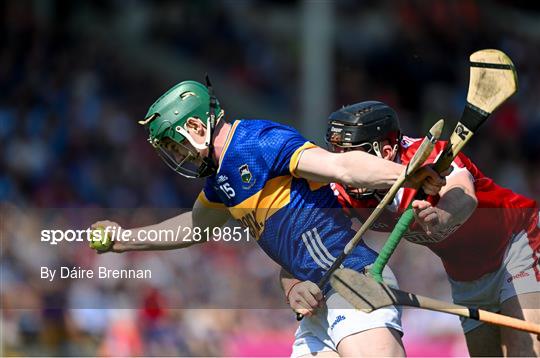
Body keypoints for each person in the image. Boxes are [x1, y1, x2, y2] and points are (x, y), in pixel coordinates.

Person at [91, 80, 447, 357]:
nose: (177, 157)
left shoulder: (258, 142)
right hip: (317, 303)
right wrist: (125, 239)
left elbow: (340, 166)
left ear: (197, 128)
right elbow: (196, 226)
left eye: (175, 145)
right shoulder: (220, 182)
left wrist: (402, 174)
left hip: (353, 279)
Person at [281, 100, 540, 357]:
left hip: (518, 244)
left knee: (523, 353)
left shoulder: (429, 158)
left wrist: (440, 215)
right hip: (466, 279)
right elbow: (300, 248)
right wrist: (294, 286)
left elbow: (463, 196)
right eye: (336, 152)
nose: (342, 164)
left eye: (351, 153)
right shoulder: (342, 193)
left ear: (385, 151)